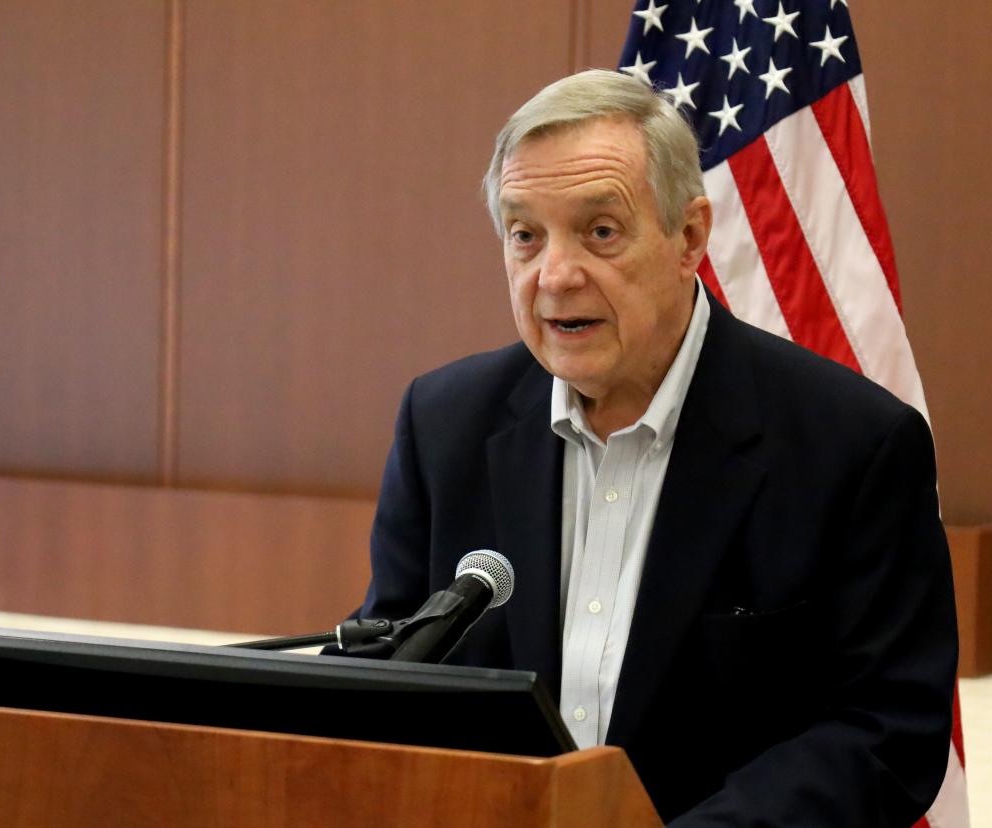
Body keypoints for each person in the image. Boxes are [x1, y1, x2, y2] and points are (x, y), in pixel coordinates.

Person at [349, 69, 957, 825]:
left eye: (600, 232)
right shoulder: (445, 424)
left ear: (689, 238)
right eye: (525, 235)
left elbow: (885, 731)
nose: (556, 277)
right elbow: (392, 676)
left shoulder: (852, 444)